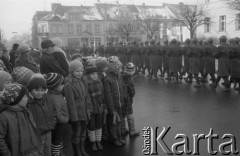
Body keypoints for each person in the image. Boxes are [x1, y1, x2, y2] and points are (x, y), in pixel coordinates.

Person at [0, 84, 42, 156]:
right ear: (16, 99)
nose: (27, 98)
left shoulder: (26, 111)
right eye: (25, 96)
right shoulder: (4, 116)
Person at [64, 60, 92, 156]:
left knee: (83, 133)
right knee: (77, 133)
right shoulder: (69, 84)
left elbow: (87, 96)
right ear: (72, 72)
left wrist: (89, 109)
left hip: (85, 112)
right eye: (77, 71)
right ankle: (77, 151)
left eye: (81, 71)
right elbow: (70, 102)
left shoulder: (83, 80)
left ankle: (82, 148)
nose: (80, 73)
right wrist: (74, 117)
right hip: (77, 114)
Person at [27, 74, 56, 156]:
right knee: (38, 153)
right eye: (36, 90)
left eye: (42, 90)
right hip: (37, 136)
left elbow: (53, 111)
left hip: (48, 132)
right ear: (30, 90)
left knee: (48, 152)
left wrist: (52, 123)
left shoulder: (47, 98)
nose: (40, 93)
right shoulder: (27, 103)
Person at [45, 73, 69, 156]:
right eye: (61, 84)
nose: (63, 85)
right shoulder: (52, 97)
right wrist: (65, 119)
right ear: (53, 86)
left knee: (59, 138)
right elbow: (57, 114)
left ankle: (59, 150)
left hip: (60, 122)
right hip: (58, 123)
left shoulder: (58, 93)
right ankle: (56, 153)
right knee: (56, 140)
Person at [104, 60, 126, 147]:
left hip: (119, 105)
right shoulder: (108, 80)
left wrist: (123, 101)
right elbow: (108, 95)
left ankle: (119, 136)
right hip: (113, 107)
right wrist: (112, 109)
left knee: (119, 122)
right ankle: (114, 138)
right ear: (115, 70)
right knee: (113, 123)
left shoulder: (119, 77)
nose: (121, 70)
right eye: (119, 68)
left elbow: (121, 90)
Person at [84, 62, 105, 151]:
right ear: (88, 75)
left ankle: (98, 141)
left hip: (99, 108)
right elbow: (86, 97)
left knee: (99, 125)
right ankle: (93, 142)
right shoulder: (86, 84)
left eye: (96, 74)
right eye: (92, 74)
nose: (95, 75)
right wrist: (89, 108)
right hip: (91, 109)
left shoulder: (99, 82)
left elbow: (103, 95)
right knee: (92, 126)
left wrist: (104, 106)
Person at [121, 62, 140, 137]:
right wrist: (131, 96)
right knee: (129, 114)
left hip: (121, 98)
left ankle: (123, 129)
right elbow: (132, 91)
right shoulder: (130, 79)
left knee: (122, 114)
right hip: (127, 99)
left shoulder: (120, 76)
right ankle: (132, 130)